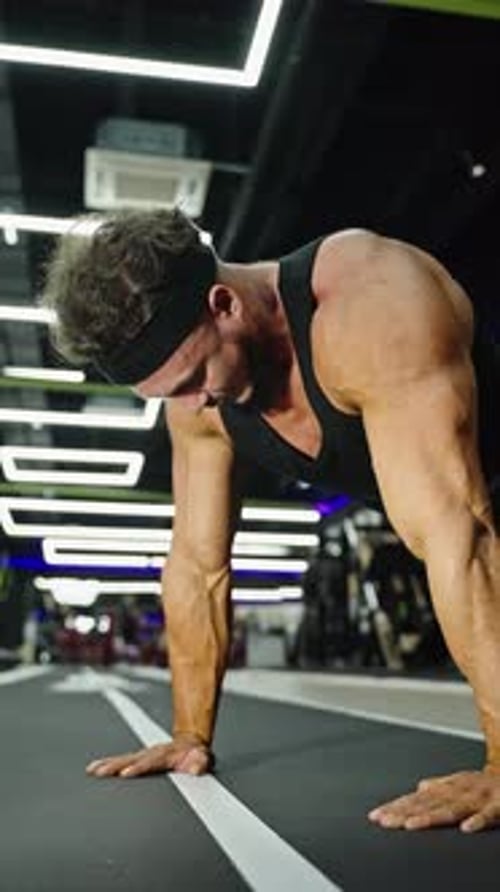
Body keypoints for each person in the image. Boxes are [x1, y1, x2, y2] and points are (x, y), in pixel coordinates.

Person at [41, 208, 500, 833]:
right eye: (169, 393)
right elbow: (197, 565)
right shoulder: (197, 401)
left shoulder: (370, 300)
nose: (193, 404)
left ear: (223, 304)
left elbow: (459, 535)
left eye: (194, 378)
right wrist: (189, 734)